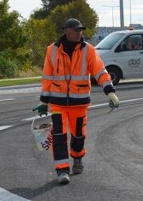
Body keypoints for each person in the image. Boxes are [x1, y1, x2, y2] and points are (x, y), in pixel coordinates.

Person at [32, 18, 119, 185]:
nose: (80, 33)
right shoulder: (52, 50)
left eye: (81, 30)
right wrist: (44, 101)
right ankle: (62, 169)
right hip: (57, 103)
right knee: (58, 135)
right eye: (76, 30)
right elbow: (47, 77)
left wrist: (110, 92)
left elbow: (100, 71)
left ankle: (77, 158)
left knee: (78, 135)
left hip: (79, 102)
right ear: (67, 32)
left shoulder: (88, 50)